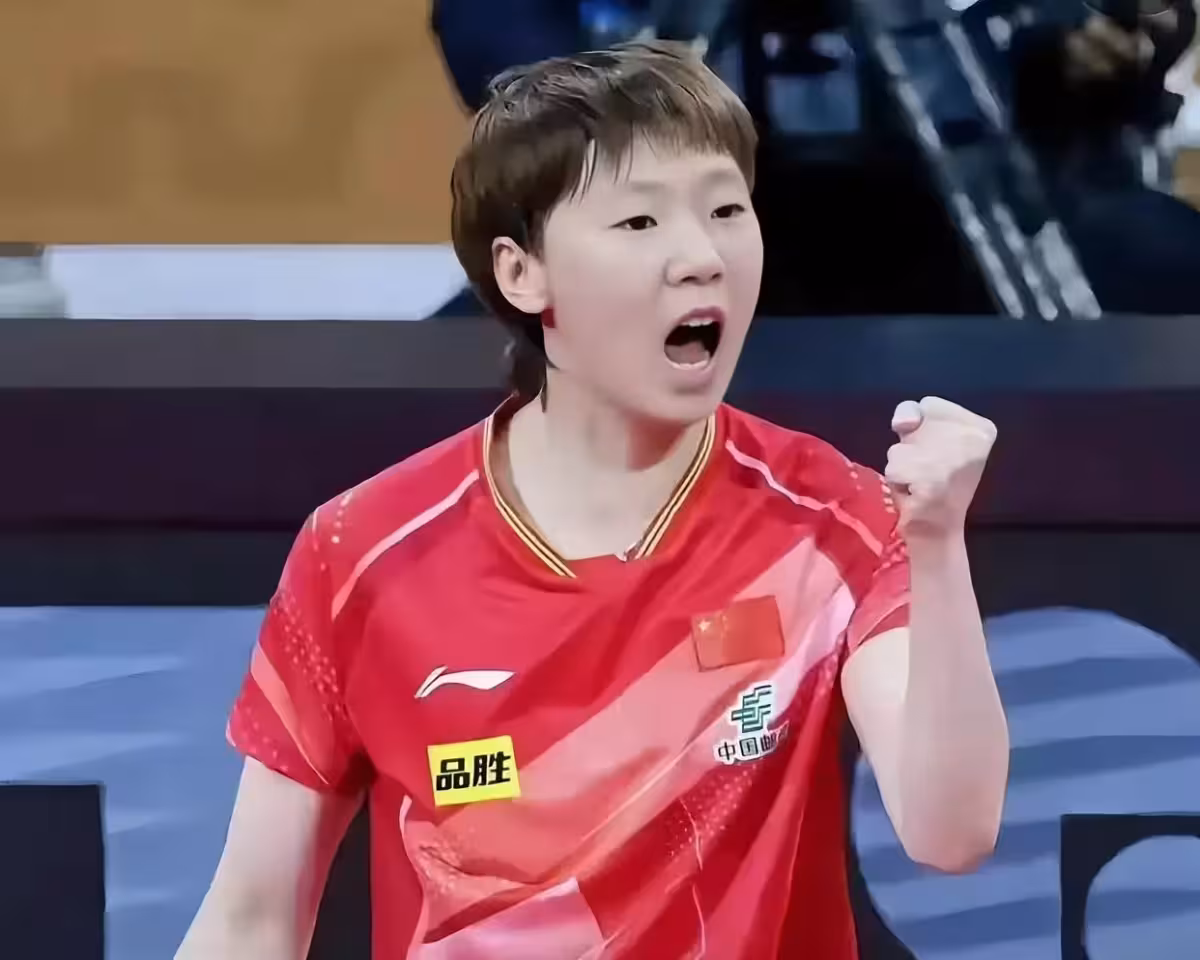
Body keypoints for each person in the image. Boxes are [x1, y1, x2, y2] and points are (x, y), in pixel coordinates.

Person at [176, 41, 1009, 960]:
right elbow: (252, 918)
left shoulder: (833, 520)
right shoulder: (362, 549)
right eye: (640, 221)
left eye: (726, 209)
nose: (701, 257)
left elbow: (951, 832)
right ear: (521, 273)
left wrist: (938, 545)